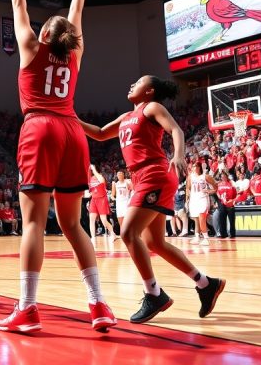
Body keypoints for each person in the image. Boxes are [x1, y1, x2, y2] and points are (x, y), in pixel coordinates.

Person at [0, 0, 116, 334]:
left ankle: (28, 308)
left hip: (41, 127)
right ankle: (98, 304)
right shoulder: (74, 53)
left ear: (45, 33)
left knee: (33, 223)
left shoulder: (32, 47)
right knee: (73, 224)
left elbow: (18, 5)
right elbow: (76, 16)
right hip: (72, 131)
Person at [81, 75, 225, 324]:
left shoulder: (152, 108)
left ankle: (154, 293)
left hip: (154, 173)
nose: (131, 84)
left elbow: (176, 130)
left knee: (128, 232)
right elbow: (101, 133)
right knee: (154, 242)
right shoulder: (127, 117)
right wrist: (71, 118)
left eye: (137, 83)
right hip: (141, 178)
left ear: (149, 91)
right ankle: (206, 284)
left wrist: (178, 155)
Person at [186, 162, 217, 245]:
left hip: (203, 199)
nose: (194, 168)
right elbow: (188, 189)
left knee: (201, 218)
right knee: (196, 220)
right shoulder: (190, 177)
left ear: (199, 167)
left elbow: (215, 187)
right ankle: (197, 237)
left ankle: (206, 238)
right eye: (193, 166)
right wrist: (187, 200)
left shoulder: (205, 176)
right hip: (193, 200)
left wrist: (209, 191)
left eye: (195, 166)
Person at [87, 164, 116, 243]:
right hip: (94, 199)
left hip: (102, 199)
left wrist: (94, 169)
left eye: (92, 169)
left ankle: (113, 234)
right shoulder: (90, 178)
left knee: (104, 221)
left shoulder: (101, 176)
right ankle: (93, 238)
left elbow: (102, 181)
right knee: (91, 219)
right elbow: (91, 190)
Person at [215, 171, 237, 238]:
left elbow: (236, 192)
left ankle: (232, 234)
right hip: (222, 203)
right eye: (222, 176)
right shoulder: (219, 184)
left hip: (230, 203)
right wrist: (219, 198)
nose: (223, 177)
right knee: (222, 219)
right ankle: (223, 234)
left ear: (227, 176)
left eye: (224, 176)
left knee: (231, 220)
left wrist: (233, 200)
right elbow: (217, 192)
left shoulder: (231, 183)